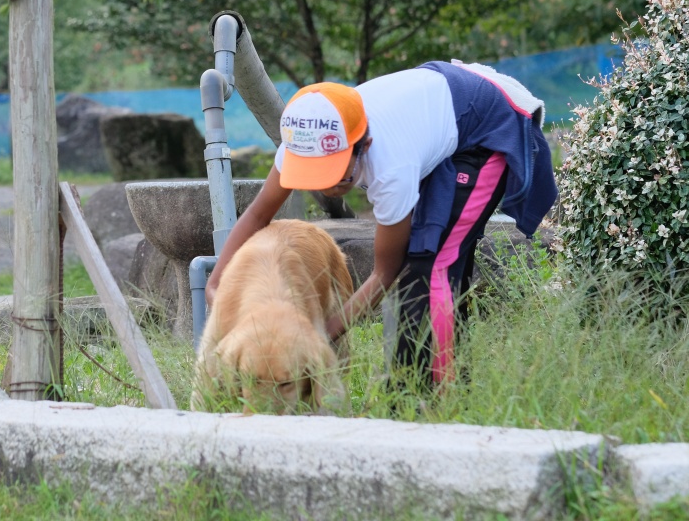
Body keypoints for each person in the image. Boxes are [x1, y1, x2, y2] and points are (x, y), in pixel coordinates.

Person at [204, 60, 558, 386]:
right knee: (434, 271)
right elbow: (257, 215)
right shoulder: (304, 142)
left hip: (484, 123)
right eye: (315, 174)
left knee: (432, 266)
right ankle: (418, 385)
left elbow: (384, 273)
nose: (327, 186)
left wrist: (318, 338)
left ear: (365, 145)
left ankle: (436, 400)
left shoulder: (391, 169)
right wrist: (218, 282)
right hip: (437, 110)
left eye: (338, 176)